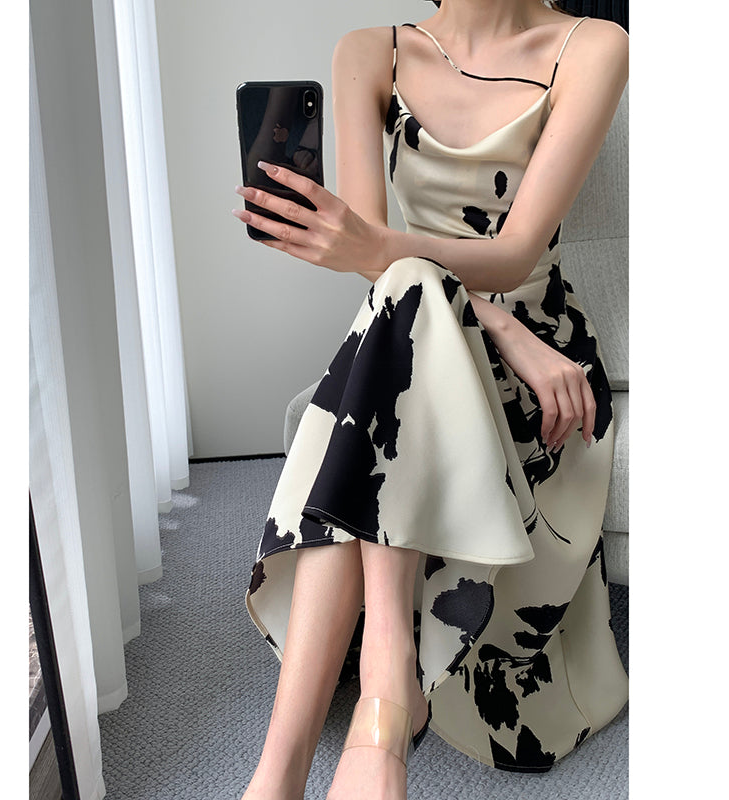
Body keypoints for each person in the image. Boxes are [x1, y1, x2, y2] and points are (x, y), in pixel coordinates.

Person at [232, 1, 628, 798]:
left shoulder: (594, 46)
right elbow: (376, 262)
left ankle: (312, 753)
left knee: (402, 300)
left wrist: (509, 328)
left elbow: (514, 252)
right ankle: (328, 739)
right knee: (407, 294)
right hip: (420, 330)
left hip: (538, 373)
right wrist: (482, 316)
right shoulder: (368, 53)